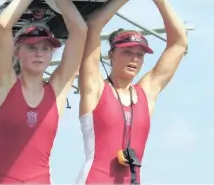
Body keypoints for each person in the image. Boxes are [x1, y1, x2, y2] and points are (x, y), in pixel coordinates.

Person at [77, 0, 188, 184]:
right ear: (111, 54)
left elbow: (179, 43)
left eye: (140, 54)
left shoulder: (146, 93)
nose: (134, 59)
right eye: (127, 52)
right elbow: (93, 26)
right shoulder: (95, 87)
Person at [0, 0, 87, 183]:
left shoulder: (57, 90)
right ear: (17, 52)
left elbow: (80, 31)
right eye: (31, 47)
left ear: (50, 54)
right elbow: (3, 26)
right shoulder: (5, 85)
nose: (39, 53)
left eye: (45, 49)